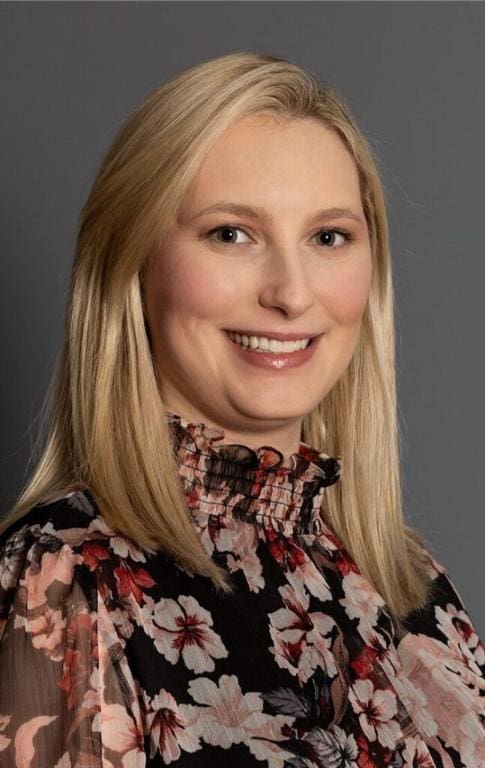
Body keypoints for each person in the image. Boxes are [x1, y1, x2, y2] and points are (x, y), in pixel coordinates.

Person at [0, 51, 483, 768]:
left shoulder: (410, 581)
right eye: (231, 233)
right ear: (132, 264)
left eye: (328, 237)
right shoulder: (68, 578)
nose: (291, 293)